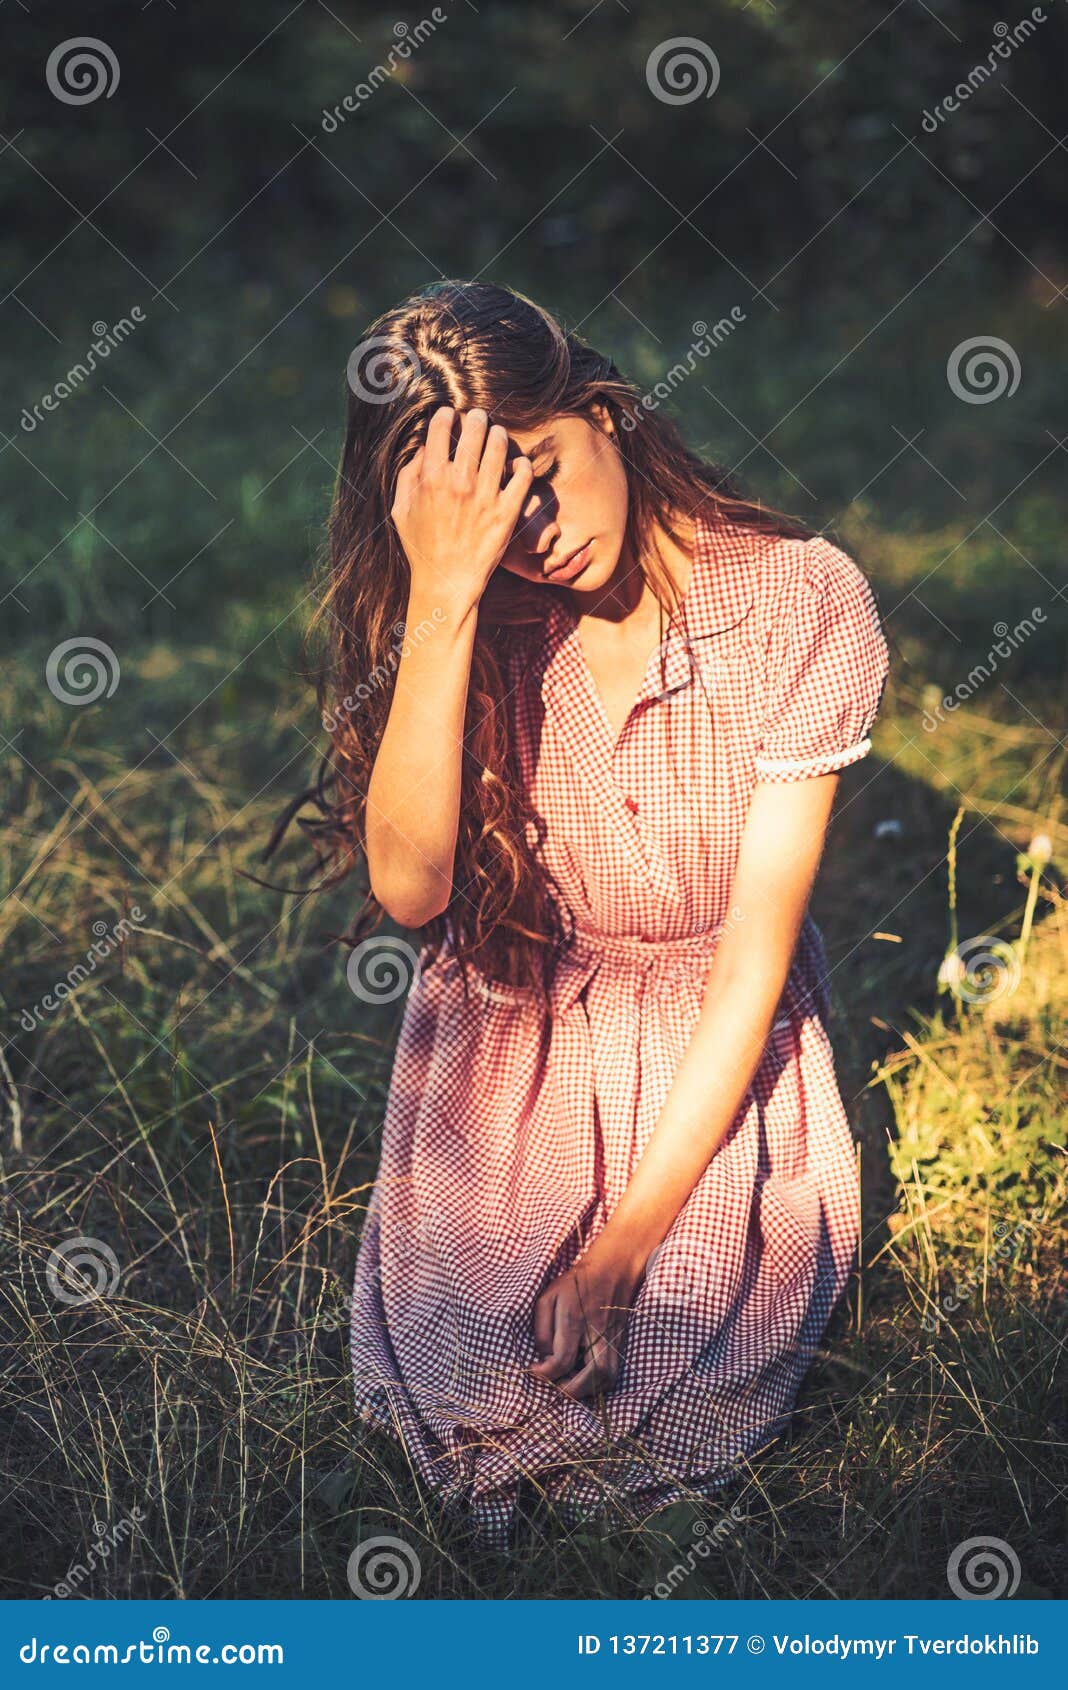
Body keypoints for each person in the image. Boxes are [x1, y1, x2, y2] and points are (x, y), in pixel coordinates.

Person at [288, 278, 890, 1547]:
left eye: (546, 471)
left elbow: (751, 965)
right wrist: (443, 602)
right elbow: (411, 889)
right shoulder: (473, 610)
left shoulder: (798, 598)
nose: (540, 531)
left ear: (606, 413)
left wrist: (623, 1247)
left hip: (711, 1057)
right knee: (485, 1401)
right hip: (508, 1066)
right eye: (496, 511)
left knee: (653, 1398)